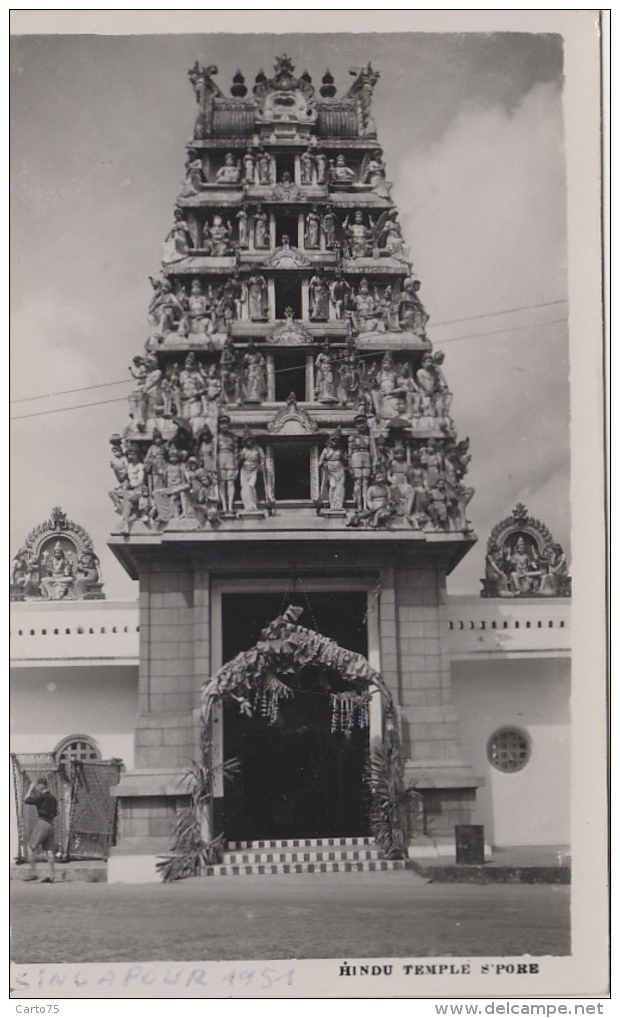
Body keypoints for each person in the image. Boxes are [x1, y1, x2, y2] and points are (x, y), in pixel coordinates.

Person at [23, 777, 57, 883]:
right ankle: (51, 876)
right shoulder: (53, 798)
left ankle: (33, 873)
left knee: (31, 847)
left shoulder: (42, 797)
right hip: (51, 824)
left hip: (43, 822)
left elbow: (26, 800)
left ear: (40, 785)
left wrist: (30, 788)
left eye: (37, 785)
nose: (36, 788)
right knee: (50, 850)